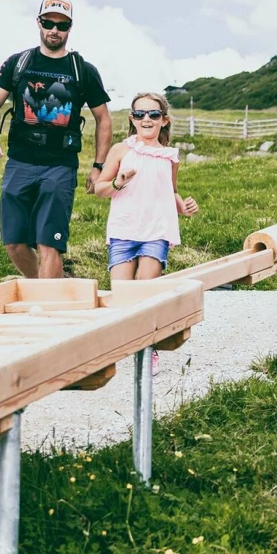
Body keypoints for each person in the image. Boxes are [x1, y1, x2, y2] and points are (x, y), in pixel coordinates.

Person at [0, 0, 112, 278]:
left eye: (62, 25)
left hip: (60, 165)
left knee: (48, 242)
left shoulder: (82, 70)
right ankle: (49, 287)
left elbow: (104, 119)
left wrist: (99, 166)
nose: (54, 30)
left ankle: (48, 303)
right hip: (19, 161)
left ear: (69, 28)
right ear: (39, 23)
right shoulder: (18, 63)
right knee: (14, 242)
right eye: (49, 23)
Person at [93, 93, 199, 375]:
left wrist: (184, 207)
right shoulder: (120, 150)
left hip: (157, 230)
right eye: (140, 115)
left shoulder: (170, 156)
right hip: (124, 229)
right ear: (132, 119)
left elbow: (171, 191)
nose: (146, 120)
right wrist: (118, 181)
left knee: (145, 288)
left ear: (164, 120)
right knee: (123, 295)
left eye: (153, 114)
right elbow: (101, 188)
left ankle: (147, 349)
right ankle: (123, 345)